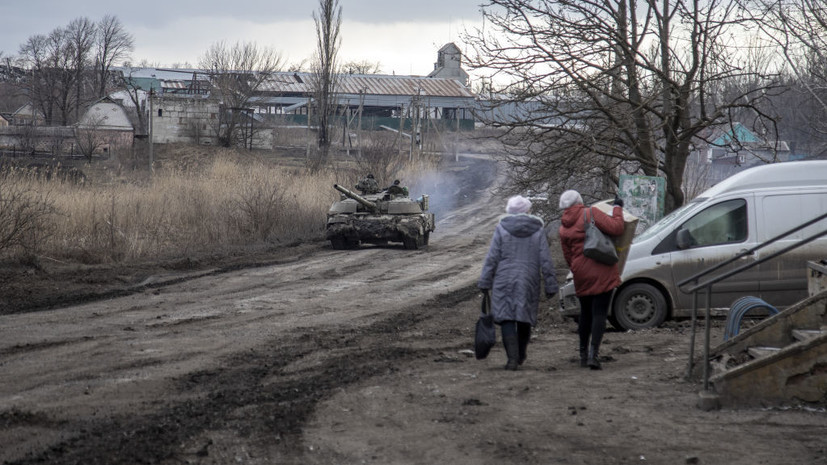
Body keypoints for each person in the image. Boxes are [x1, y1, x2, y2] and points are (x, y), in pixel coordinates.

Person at [478, 195, 559, 370]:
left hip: (504, 280)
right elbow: (545, 259)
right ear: (527, 211)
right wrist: (551, 284)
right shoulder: (538, 230)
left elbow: (492, 257)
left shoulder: (502, 229)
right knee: (524, 318)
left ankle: (512, 359)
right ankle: (521, 354)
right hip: (528, 280)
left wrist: (485, 281)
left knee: (507, 318)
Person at [558, 190, 625, 370]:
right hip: (601, 266)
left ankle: (582, 354)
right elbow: (617, 228)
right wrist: (617, 208)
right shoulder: (590, 213)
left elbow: (568, 256)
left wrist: (577, 268)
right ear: (579, 201)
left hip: (581, 273)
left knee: (585, 313)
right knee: (599, 313)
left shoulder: (563, 227)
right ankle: (593, 356)